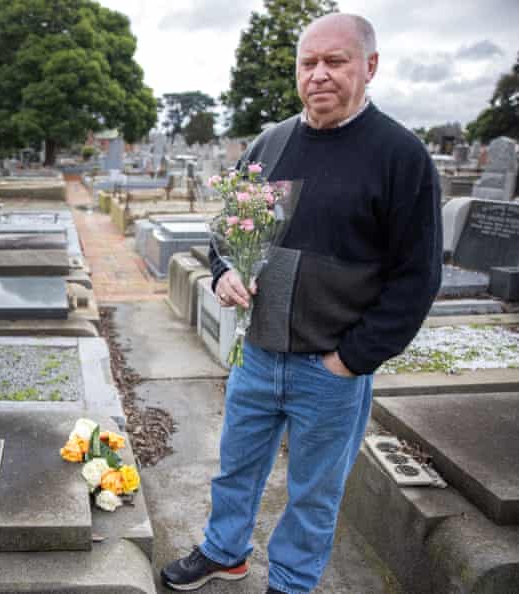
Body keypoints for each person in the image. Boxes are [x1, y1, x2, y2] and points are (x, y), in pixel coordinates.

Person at [161, 13, 442, 594]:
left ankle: (291, 582)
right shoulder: (273, 142)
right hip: (259, 356)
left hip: (331, 366)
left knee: (314, 491)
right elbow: (225, 232)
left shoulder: (399, 154)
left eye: (334, 61)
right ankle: (225, 550)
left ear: (370, 66)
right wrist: (221, 275)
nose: (318, 74)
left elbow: (416, 276)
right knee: (236, 468)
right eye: (307, 63)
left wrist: (353, 359)